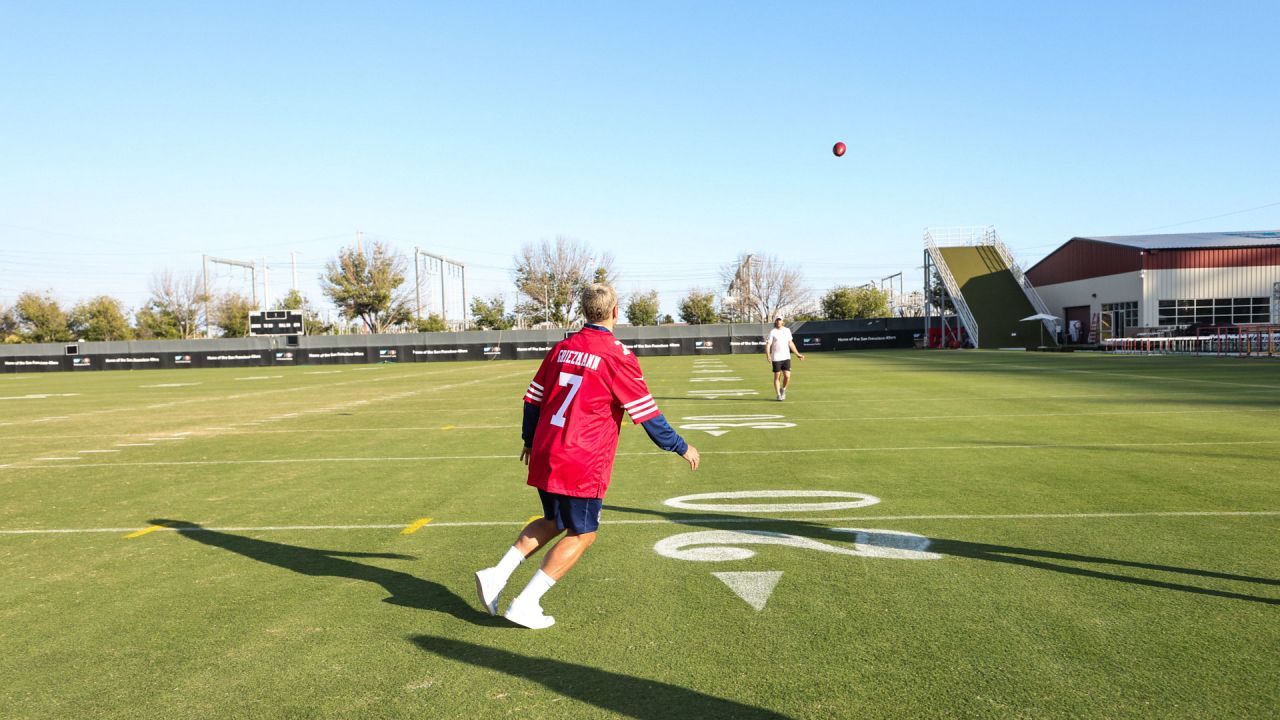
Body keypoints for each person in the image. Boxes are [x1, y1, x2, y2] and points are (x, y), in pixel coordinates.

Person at [475, 283, 700, 629]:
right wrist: (680, 446)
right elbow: (647, 414)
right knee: (583, 534)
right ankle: (525, 602)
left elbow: (532, 398)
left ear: (584, 311)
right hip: (580, 459)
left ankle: (497, 574)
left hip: (547, 449)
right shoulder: (616, 355)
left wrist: (529, 439)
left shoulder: (562, 348)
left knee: (553, 521)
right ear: (615, 310)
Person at [765, 316, 804, 401]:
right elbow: (768, 344)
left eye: (780, 320)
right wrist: (768, 355)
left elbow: (790, 343)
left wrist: (797, 354)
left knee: (787, 376)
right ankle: (778, 395)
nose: (778, 321)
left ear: (783, 322)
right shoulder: (772, 332)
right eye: (777, 320)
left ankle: (783, 389)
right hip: (776, 358)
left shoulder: (787, 331)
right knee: (777, 376)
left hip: (786, 357)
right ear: (775, 322)